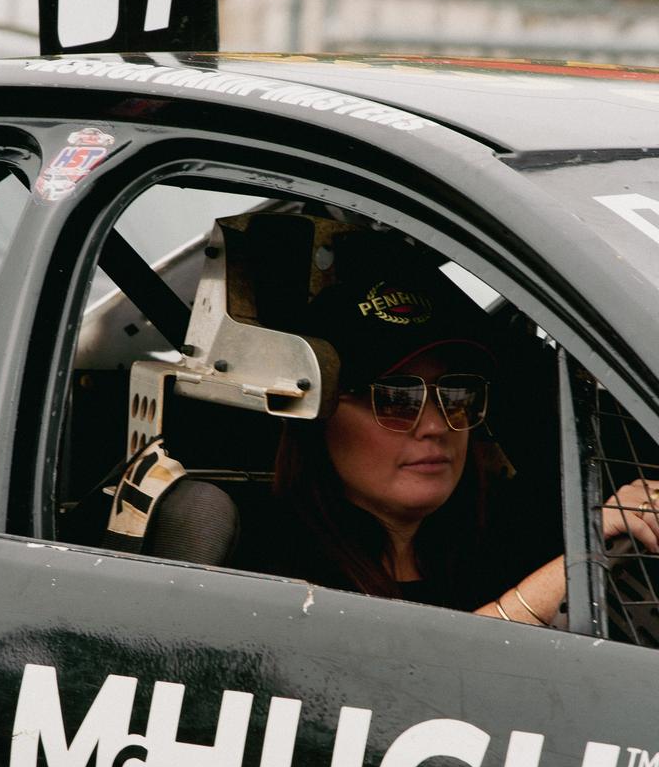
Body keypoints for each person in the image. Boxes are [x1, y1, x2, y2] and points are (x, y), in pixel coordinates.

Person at [270, 230, 659, 624]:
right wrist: (569, 571)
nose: (437, 426)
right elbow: (396, 678)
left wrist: (624, 516)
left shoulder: (502, 537)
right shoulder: (265, 564)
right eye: (396, 399)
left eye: (456, 394)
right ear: (319, 412)